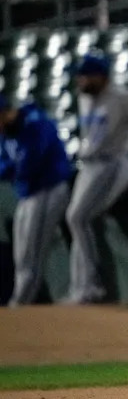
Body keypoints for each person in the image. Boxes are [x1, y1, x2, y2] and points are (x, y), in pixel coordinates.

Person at [64, 52, 128, 305]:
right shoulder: (85, 98)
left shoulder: (123, 97)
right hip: (89, 165)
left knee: (78, 218)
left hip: (113, 163)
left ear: (101, 77)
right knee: (78, 220)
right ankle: (82, 286)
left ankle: (90, 286)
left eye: (85, 76)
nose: (80, 81)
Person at [0, 95, 73, 307]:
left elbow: (29, 164)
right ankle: (21, 300)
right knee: (22, 251)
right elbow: (6, 163)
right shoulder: (8, 132)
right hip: (28, 193)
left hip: (48, 190)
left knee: (32, 250)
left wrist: (11, 171)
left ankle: (22, 302)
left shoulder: (35, 123)